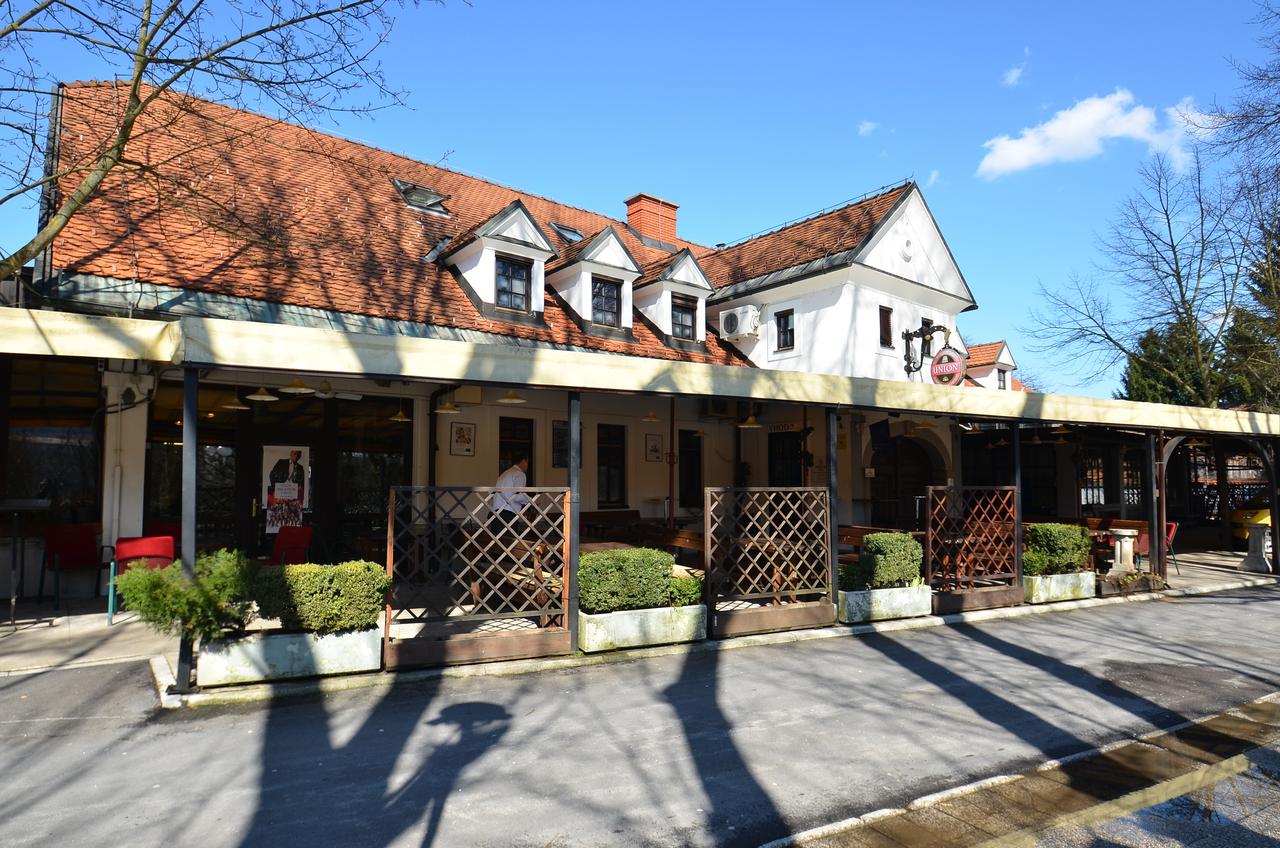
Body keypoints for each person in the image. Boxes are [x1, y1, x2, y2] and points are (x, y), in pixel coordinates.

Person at [491, 455, 531, 535]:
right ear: (523, 461)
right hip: (508, 515)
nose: (527, 466)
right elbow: (518, 496)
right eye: (527, 462)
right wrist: (531, 501)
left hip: (495, 513)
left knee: (498, 543)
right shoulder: (519, 474)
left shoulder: (504, 474)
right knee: (509, 543)